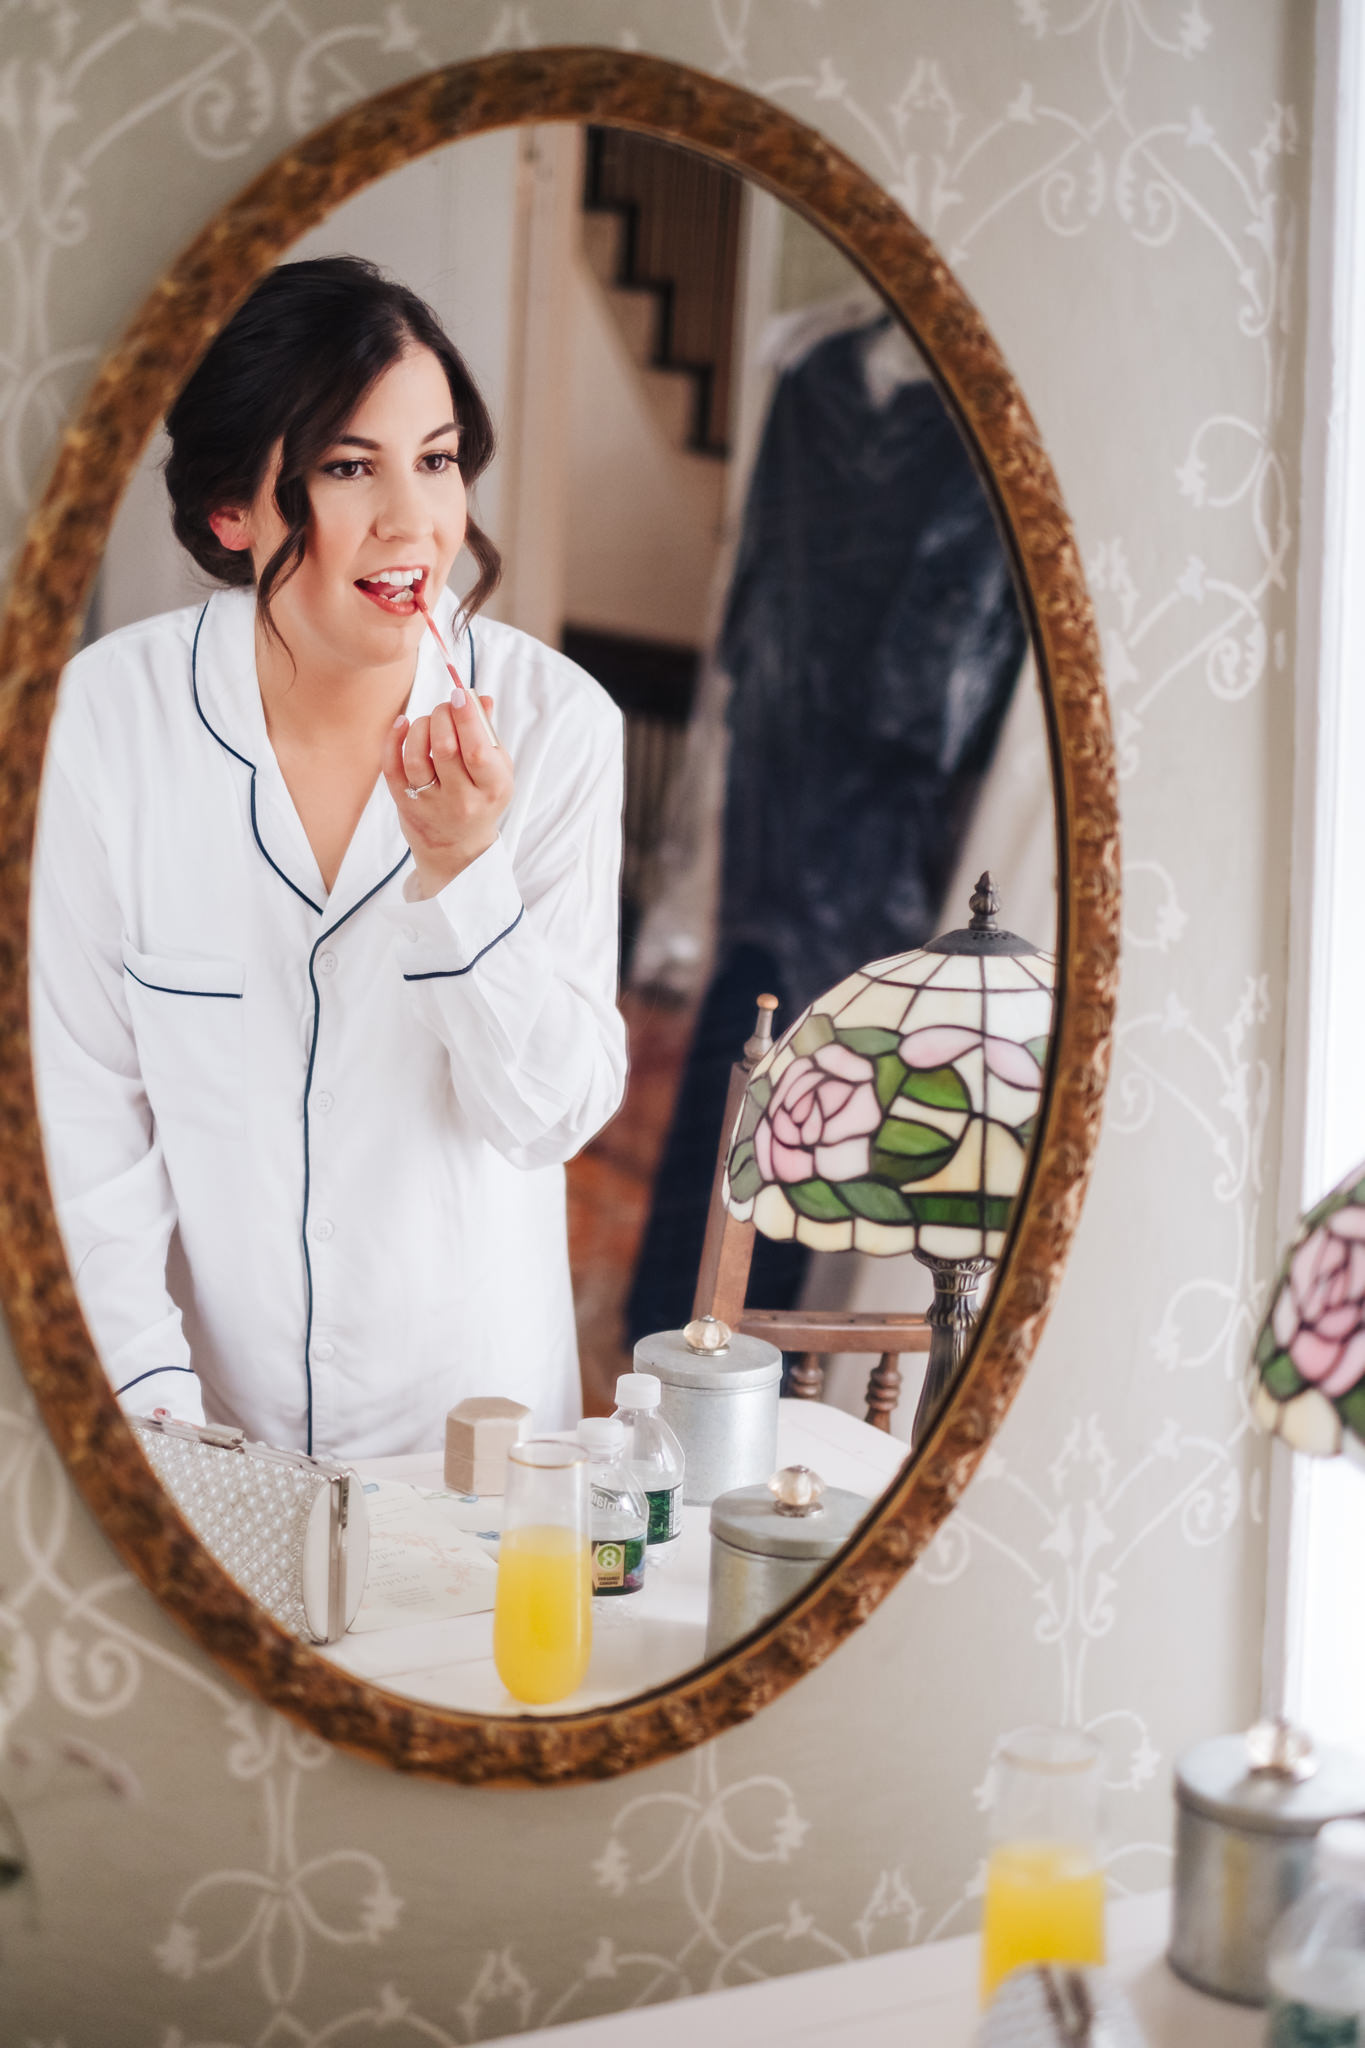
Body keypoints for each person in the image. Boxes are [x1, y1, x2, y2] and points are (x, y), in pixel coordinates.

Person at [30, 256, 627, 1460]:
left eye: (439, 458)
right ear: (230, 511)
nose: (415, 520)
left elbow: (550, 1111)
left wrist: (465, 876)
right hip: (195, 1423)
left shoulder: (561, 729)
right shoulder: (107, 722)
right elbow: (82, 1112)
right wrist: (155, 1419)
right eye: (350, 466)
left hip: (474, 1439)